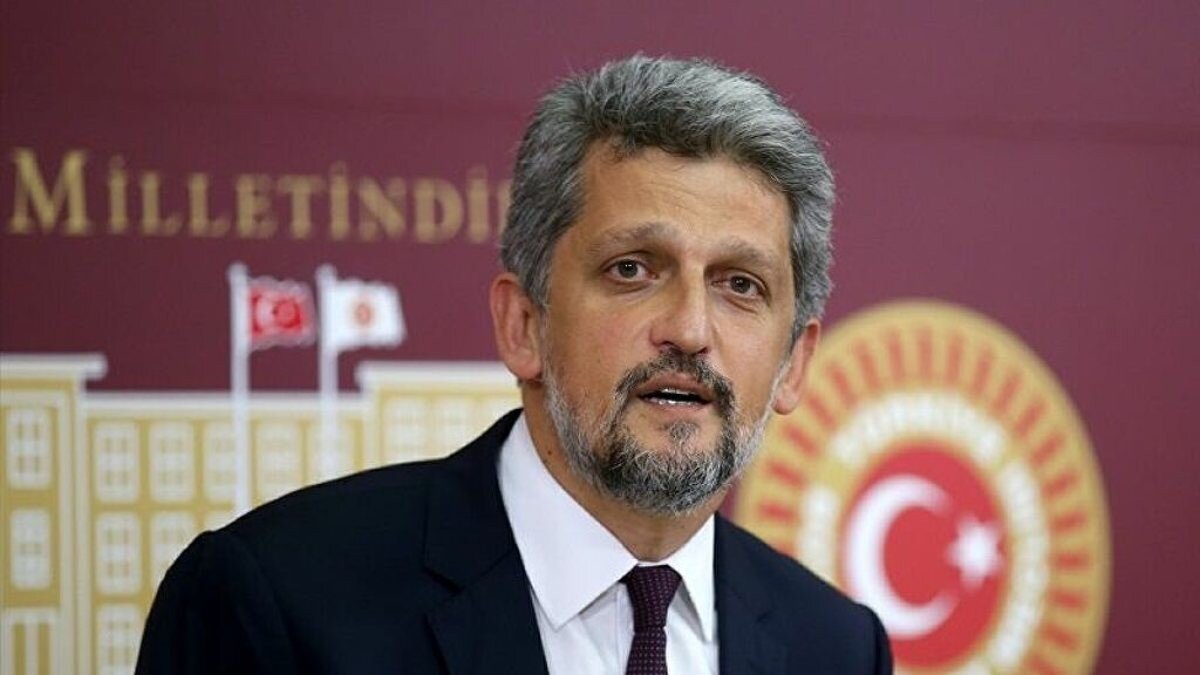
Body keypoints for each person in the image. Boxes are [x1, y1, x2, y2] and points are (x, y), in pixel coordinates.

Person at [136, 55, 892, 674]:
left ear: (794, 362)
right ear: (523, 324)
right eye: (632, 269)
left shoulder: (836, 647)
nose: (691, 330)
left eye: (740, 285)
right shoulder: (278, 600)